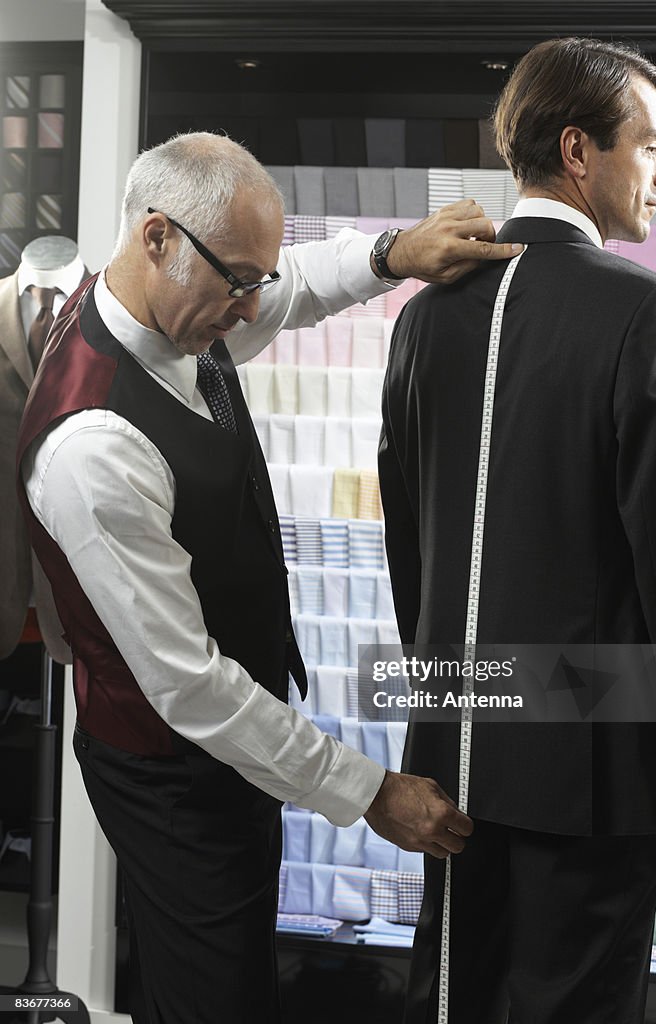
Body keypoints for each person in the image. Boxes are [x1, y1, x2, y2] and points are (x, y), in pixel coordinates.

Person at [16, 131, 520, 1024]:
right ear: (159, 237)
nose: (251, 309)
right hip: (170, 769)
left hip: (220, 752)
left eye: (256, 278)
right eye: (237, 281)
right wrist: (370, 793)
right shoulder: (92, 448)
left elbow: (294, 287)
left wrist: (392, 255)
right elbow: (190, 688)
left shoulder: (175, 305)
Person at [378, 37, 656, 1024]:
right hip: (594, 768)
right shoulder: (641, 309)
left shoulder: (422, 318)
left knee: (455, 1003)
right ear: (577, 151)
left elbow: (409, 549)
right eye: (651, 145)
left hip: (453, 750)